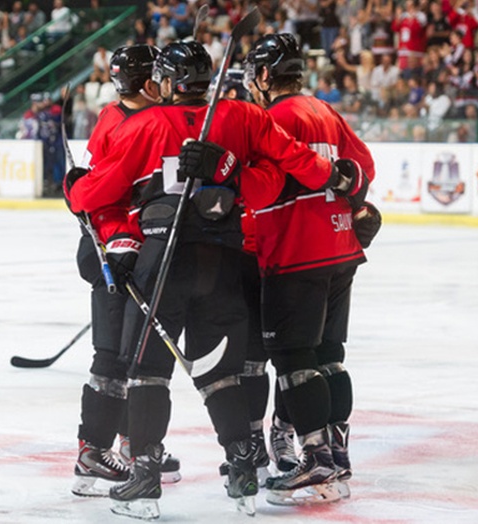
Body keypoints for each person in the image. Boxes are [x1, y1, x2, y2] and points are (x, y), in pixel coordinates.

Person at [65, 41, 363, 519]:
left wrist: (73, 187)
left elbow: (97, 192)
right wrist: (336, 178)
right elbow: (286, 163)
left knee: (147, 373)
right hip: (224, 262)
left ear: (163, 83)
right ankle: (243, 466)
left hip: (164, 262)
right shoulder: (243, 117)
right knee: (220, 373)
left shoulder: (141, 125)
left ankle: (144, 475)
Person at [242, 33, 377, 504]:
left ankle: (316, 460)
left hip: (297, 251)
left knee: (295, 360)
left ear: (263, 75)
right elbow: (363, 167)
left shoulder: (271, 117)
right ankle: (336, 457)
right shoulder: (324, 110)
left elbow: (261, 188)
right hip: (341, 247)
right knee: (329, 355)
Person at [67, 44, 182, 498]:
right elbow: (97, 195)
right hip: (114, 252)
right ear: (148, 81)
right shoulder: (119, 122)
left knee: (136, 355)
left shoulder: (154, 117)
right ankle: (92, 452)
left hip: (141, 250)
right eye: (163, 75)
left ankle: (133, 444)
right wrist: (118, 238)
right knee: (112, 356)